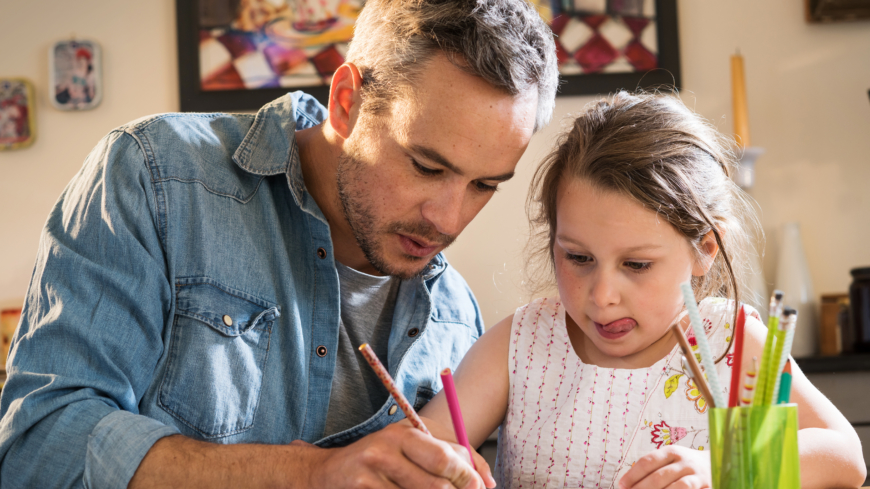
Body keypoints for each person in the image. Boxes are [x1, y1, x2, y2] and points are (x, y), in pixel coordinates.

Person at [0, 1, 558, 487]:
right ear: (346, 101)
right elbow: (39, 447)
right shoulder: (156, 175)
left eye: (484, 185)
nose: (448, 220)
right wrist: (309, 475)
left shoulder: (457, 320)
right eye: (426, 166)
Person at [417, 91, 867, 488]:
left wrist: (723, 469)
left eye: (636, 264)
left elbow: (845, 458)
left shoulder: (729, 341)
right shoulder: (521, 343)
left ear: (705, 248)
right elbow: (419, 452)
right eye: (578, 258)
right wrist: (437, 469)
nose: (602, 296)